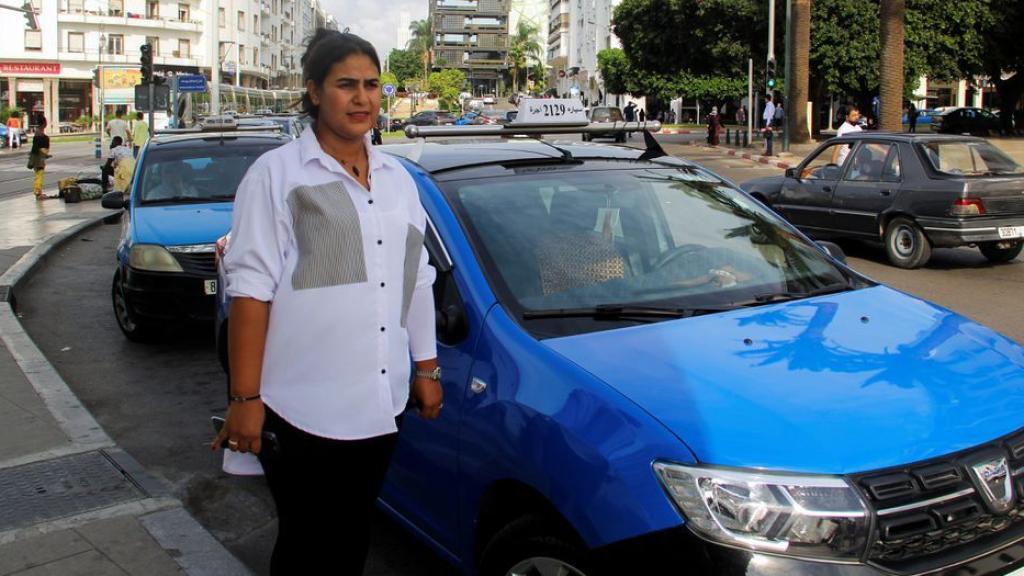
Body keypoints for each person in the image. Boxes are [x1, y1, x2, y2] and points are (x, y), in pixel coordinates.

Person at [211, 29, 441, 575]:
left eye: (372, 84)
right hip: (302, 408)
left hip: (380, 402)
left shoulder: (397, 179)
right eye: (346, 85)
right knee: (306, 545)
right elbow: (250, 289)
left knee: (352, 536)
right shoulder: (276, 175)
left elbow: (417, 278)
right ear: (314, 92)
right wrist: (245, 398)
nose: (362, 98)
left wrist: (427, 368)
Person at [28, 116, 50, 200]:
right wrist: (41, 156)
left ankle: (38, 192)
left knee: (39, 174)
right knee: (39, 175)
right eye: (46, 122)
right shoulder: (39, 133)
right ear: (44, 123)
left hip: (40, 157)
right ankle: (37, 192)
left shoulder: (39, 132)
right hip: (38, 158)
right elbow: (36, 147)